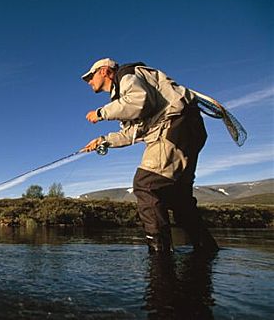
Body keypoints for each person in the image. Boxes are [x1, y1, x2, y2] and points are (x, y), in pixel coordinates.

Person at [80, 58, 219, 254]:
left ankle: (160, 257)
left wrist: (101, 113)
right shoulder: (124, 94)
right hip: (186, 131)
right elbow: (132, 133)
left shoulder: (126, 76)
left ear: (104, 71)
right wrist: (103, 140)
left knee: (146, 185)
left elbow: (139, 100)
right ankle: (207, 251)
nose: (88, 81)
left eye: (90, 76)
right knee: (179, 201)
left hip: (174, 128)